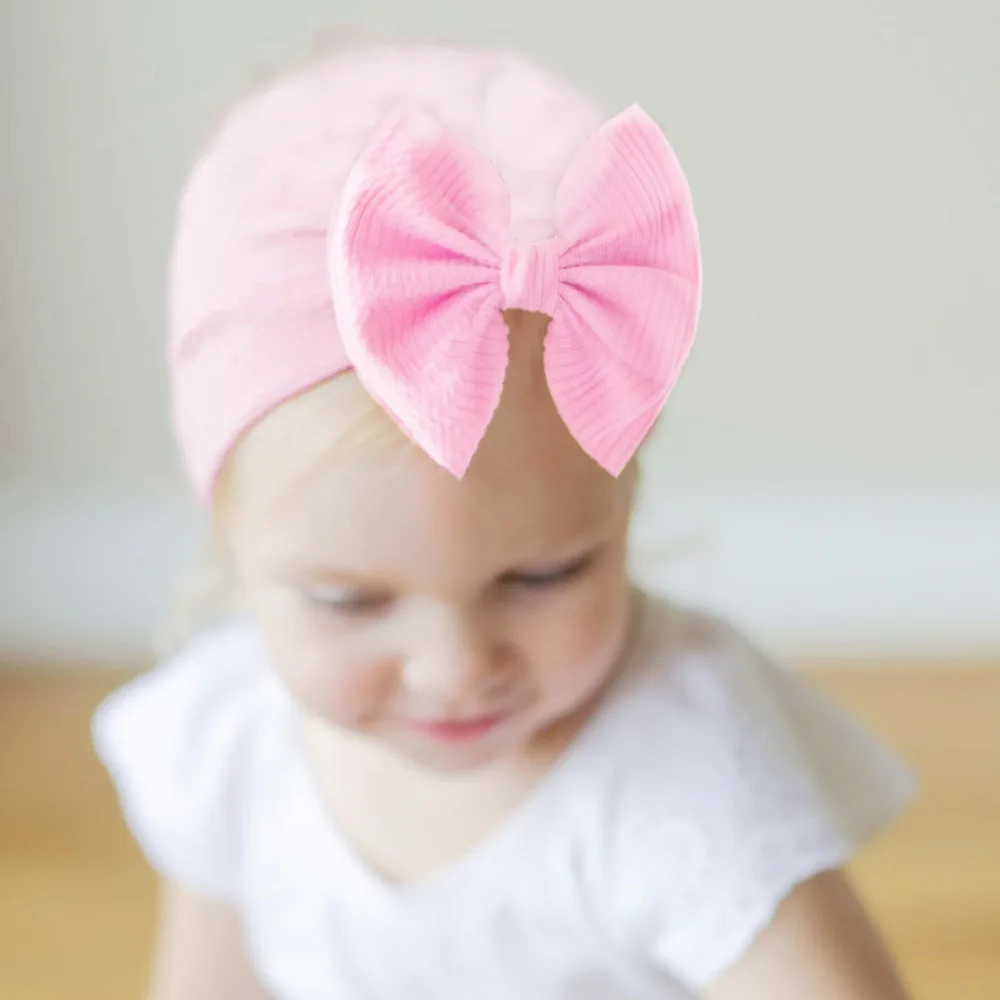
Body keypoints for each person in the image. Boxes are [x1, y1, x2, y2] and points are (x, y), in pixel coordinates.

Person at [93, 33, 915, 1000]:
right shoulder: (231, 739)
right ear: (228, 542)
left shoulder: (681, 772)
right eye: (346, 600)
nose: (454, 670)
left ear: (623, 502)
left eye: (541, 577)